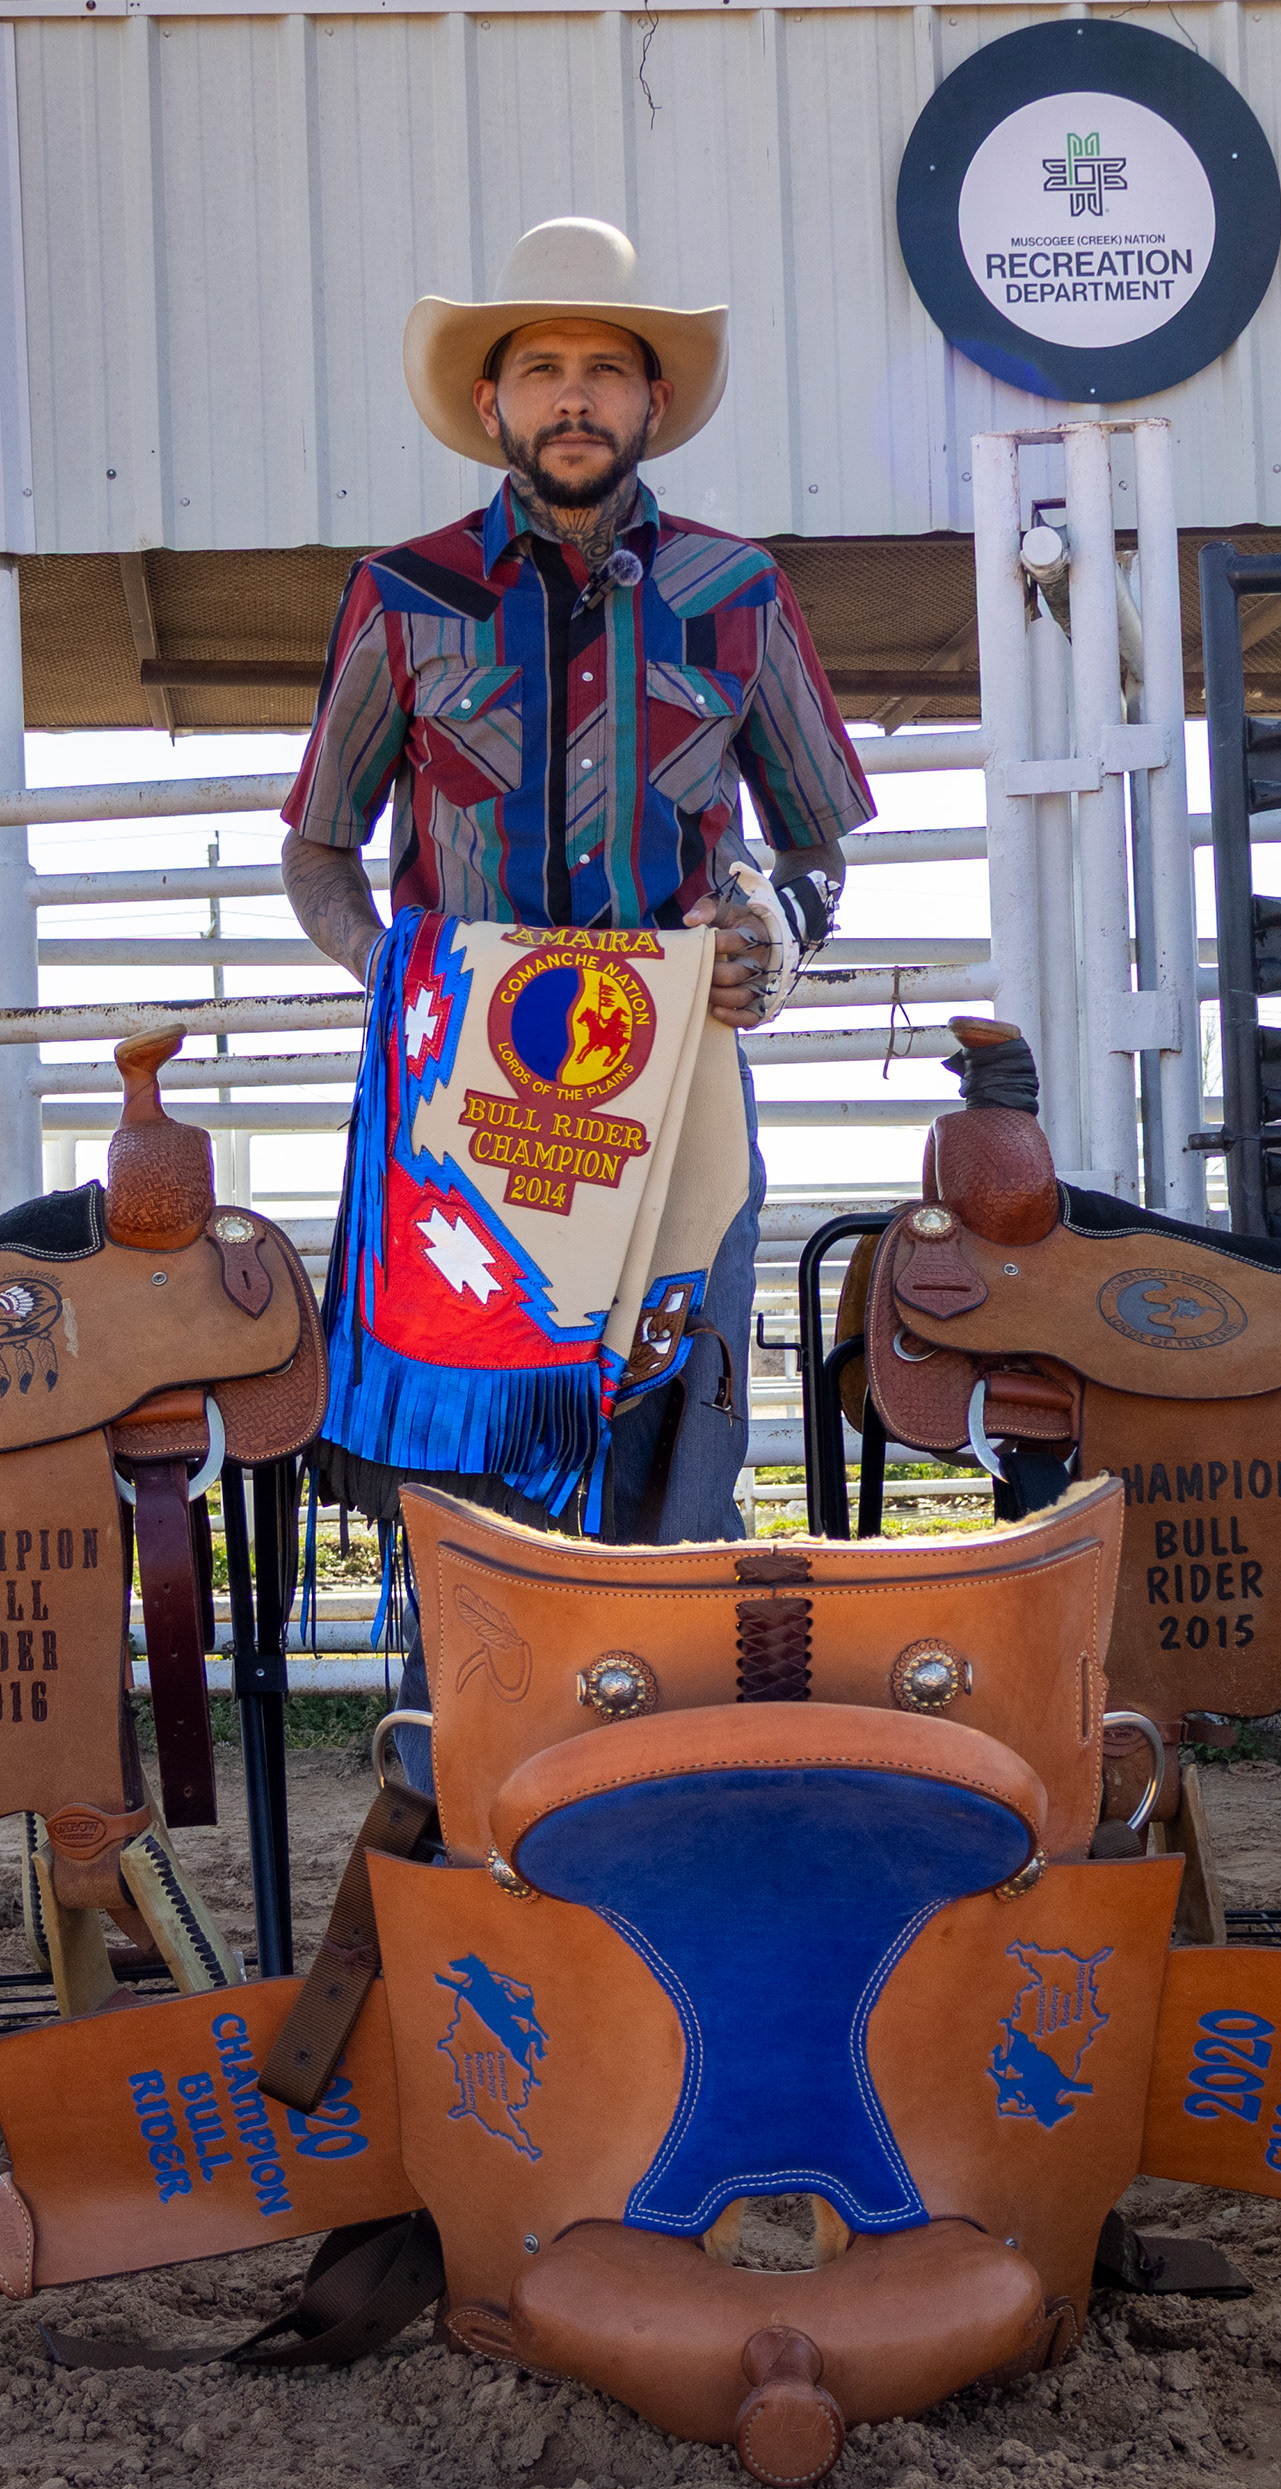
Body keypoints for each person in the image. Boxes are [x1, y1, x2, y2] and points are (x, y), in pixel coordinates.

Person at [278, 215, 876, 1547]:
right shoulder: (403, 598)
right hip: (458, 1092)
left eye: (605, 369)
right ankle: (459, 1737)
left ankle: (649, 1736)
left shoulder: (741, 594)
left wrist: (772, 929)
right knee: (471, 1435)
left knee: (670, 1411)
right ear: (490, 399)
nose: (572, 398)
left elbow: (819, 841)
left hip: (679, 1080)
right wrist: (393, 969)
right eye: (541, 367)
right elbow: (318, 844)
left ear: (653, 399)